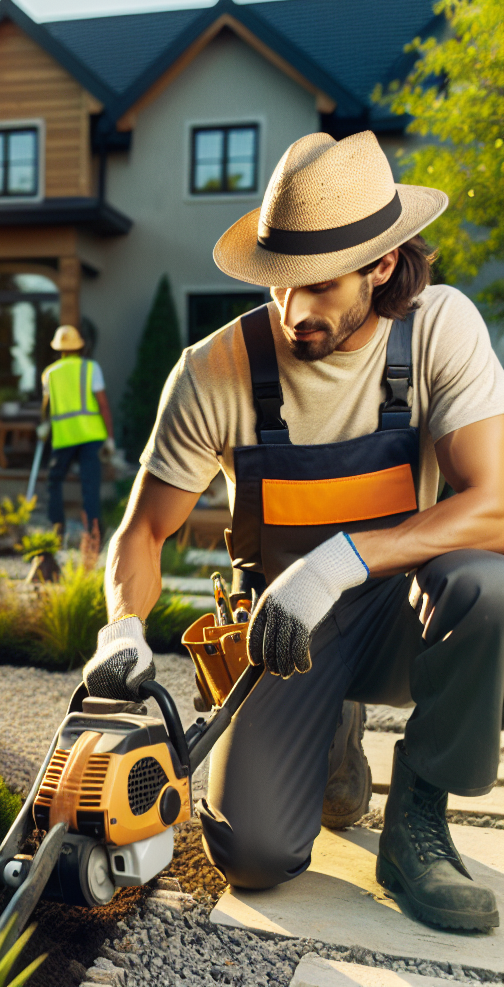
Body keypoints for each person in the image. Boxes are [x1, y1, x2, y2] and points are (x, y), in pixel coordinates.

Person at [83, 130, 504, 932]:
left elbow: (496, 505)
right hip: (281, 633)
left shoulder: (437, 328)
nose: (289, 310)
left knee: (486, 585)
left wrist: (343, 560)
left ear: (382, 266)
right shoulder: (216, 367)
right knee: (255, 859)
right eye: (278, 283)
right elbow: (143, 532)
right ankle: (329, 738)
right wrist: (122, 625)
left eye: (315, 285)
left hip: (401, 614)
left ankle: (419, 816)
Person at [38, 325, 115, 541]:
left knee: (54, 481)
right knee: (90, 485)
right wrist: (110, 438)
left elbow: (46, 406)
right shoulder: (91, 368)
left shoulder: (49, 373)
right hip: (92, 436)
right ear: (80, 347)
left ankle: (57, 528)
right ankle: (93, 534)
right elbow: (103, 405)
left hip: (64, 438)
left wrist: (44, 424)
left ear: (58, 349)